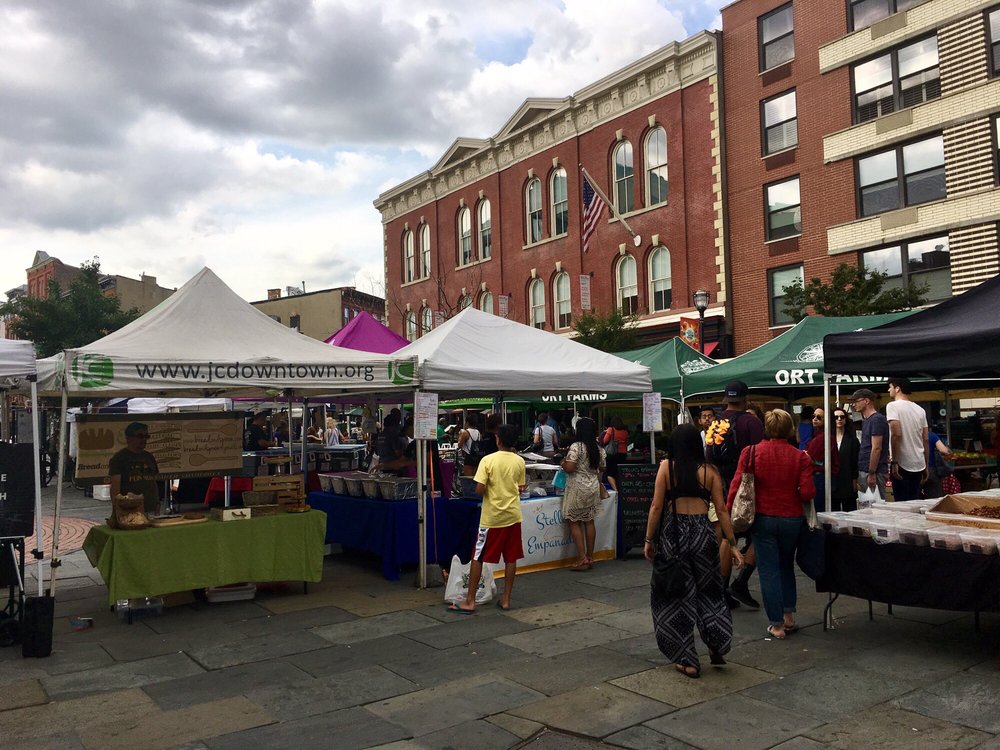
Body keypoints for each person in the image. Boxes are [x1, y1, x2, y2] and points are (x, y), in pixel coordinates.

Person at [644, 424, 744, 678]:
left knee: (675, 595)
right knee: (710, 592)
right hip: (703, 534)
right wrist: (733, 545)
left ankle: (687, 659)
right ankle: (717, 644)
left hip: (674, 535)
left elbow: (656, 507)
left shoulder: (666, 468)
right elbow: (721, 510)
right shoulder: (710, 471)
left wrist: (649, 539)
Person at [728, 409, 814, 640]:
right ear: (790, 429)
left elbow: (736, 486)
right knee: (786, 566)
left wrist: (728, 515)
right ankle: (788, 617)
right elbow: (807, 492)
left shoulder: (751, 452)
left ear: (766, 428)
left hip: (763, 517)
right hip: (792, 519)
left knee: (768, 571)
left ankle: (776, 625)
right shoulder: (801, 457)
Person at [448, 423, 525, 614]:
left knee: (478, 556)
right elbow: (520, 487)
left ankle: (470, 601)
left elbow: (479, 489)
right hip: (513, 515)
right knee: (511, 557)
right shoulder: (519, 461)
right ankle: (506, 599)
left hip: (492, 518)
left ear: (498, 439)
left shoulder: (488, 460)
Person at [709, 380, 764, 610]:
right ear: (745, 399)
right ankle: (741, 582)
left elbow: (709, 456)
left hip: (721, 486)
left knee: (726, 537)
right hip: (747, 486)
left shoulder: (715, 423)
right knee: (760, 535)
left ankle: (721, 590)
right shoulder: (751, 422)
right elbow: (760, 455)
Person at [559, 417, 606, 572]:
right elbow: (602, 468)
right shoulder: (598, 449)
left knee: (574, 521)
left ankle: (581, 558)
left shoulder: (576, 447)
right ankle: (590, 557)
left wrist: (563, 463)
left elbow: (570, 467)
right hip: (592, 487)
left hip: (577, 487)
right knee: (589, 521)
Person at [886, 377, 929, 502]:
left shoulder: (892, 406)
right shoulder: (920, 410)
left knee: (902, 504)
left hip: (902, 463)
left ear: (897, 388)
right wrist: (926, 465)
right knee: (915, 501)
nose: (888, 390)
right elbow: (925, 439)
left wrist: (894, 462)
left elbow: (896, 434)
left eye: (890, 387)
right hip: (919, 462)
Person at [108, 422, 161, 514]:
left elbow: (153, 483)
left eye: (146, 436)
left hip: (151, 509)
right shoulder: (119, 458)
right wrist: (117, 511)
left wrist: (157, 503)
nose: (144, 439)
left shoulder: (149, 457)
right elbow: (115, 489)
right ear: (128, 438)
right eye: (140, 436)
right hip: (129, 511)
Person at [851, 388, 889, 500]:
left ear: (866, 401)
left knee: (876, 504)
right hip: (865, 469)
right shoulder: (867, 420)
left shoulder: (876, 419)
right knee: (867, 504)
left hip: (874, 471)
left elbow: (876, 448)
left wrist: (872, 472)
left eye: (856, 401)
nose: (854, 404)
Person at [805, 408, 839, 513]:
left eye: (819, 417)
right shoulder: (818, 435)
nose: (815, 419)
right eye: (813, 416)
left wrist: (805, 454)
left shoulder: (825, 437)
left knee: (820, 511)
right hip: (820, 476)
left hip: (821, 477)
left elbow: (810, 456)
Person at [831, 408, 860, 512]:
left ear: (846, 420)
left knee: (850, 509)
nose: (839, 419)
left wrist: (855, 480)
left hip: (847, 479)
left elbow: (855, 461)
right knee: (833, 510)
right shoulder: (828, 438)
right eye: (836, 417)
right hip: (832, 480)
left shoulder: (852, 440)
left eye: (842, 417)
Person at [923, 429, 954, 499]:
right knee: (934, 498)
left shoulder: (912, 436)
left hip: (915, 469)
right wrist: (948, 449)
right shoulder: (932, 435)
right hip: (931, 470)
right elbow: (943, 450)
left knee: (915, 497)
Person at [600, 416, 629, 490]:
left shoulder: (611, 429)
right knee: (619, 472)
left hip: (612, 454)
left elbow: (605, 440)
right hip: (623, 454)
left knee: (610, 473)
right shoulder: (625, 432)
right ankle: (621, 488)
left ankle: (615, 489)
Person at [457, 413, 483, 477]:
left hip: (468, 457)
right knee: (475, 478)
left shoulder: (464, 432)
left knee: (468, 478)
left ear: (467, 422)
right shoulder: (478, 432)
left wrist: (460, 435)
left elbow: (459, 445)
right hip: (477, 457)